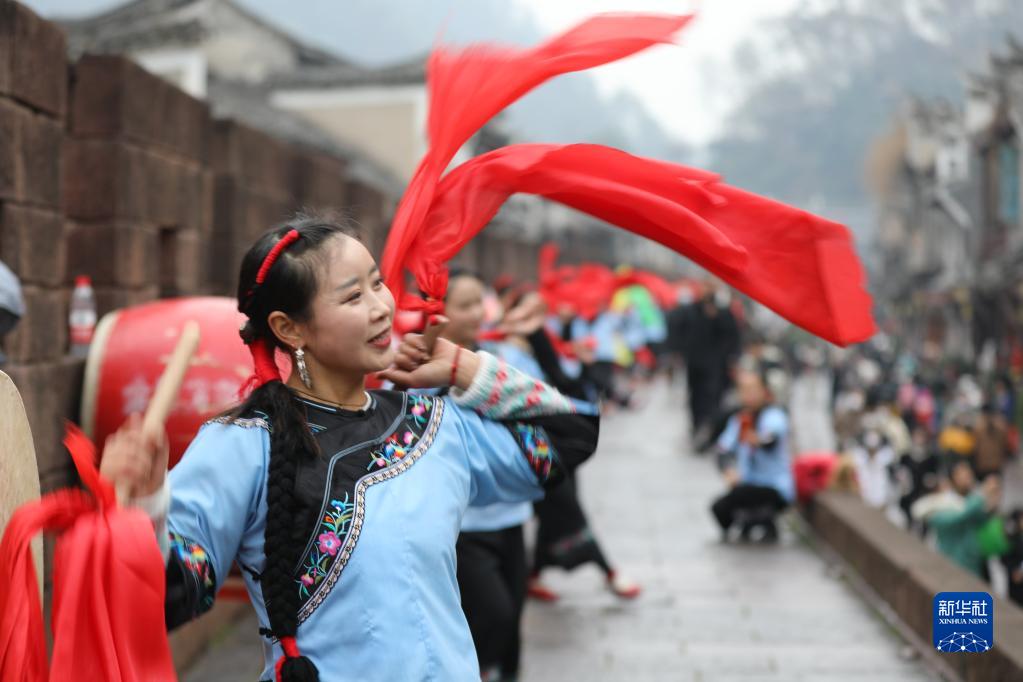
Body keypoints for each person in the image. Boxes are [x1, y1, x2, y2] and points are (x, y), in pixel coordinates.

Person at [98, 217, 599, 682]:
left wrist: (463, 369)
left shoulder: (431, 423)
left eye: (378, 283)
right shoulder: (245, 443)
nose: (382, 307)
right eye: (353, 296)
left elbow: (571, 435)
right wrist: (147, 505)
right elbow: (165, 598)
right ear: (289, 328)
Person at [710, 367, 794, 542]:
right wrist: (728, 470)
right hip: (747, 483)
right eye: (744, 390)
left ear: (764, 391)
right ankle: (751, 520)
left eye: (753, 390)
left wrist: (758, 440)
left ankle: (760, 519)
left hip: (774, 487)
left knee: (744, 496)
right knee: (719, 508)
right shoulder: (739, 420)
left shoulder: (774, 415)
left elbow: (771, 438)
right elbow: (722, 449)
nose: (748, 395)